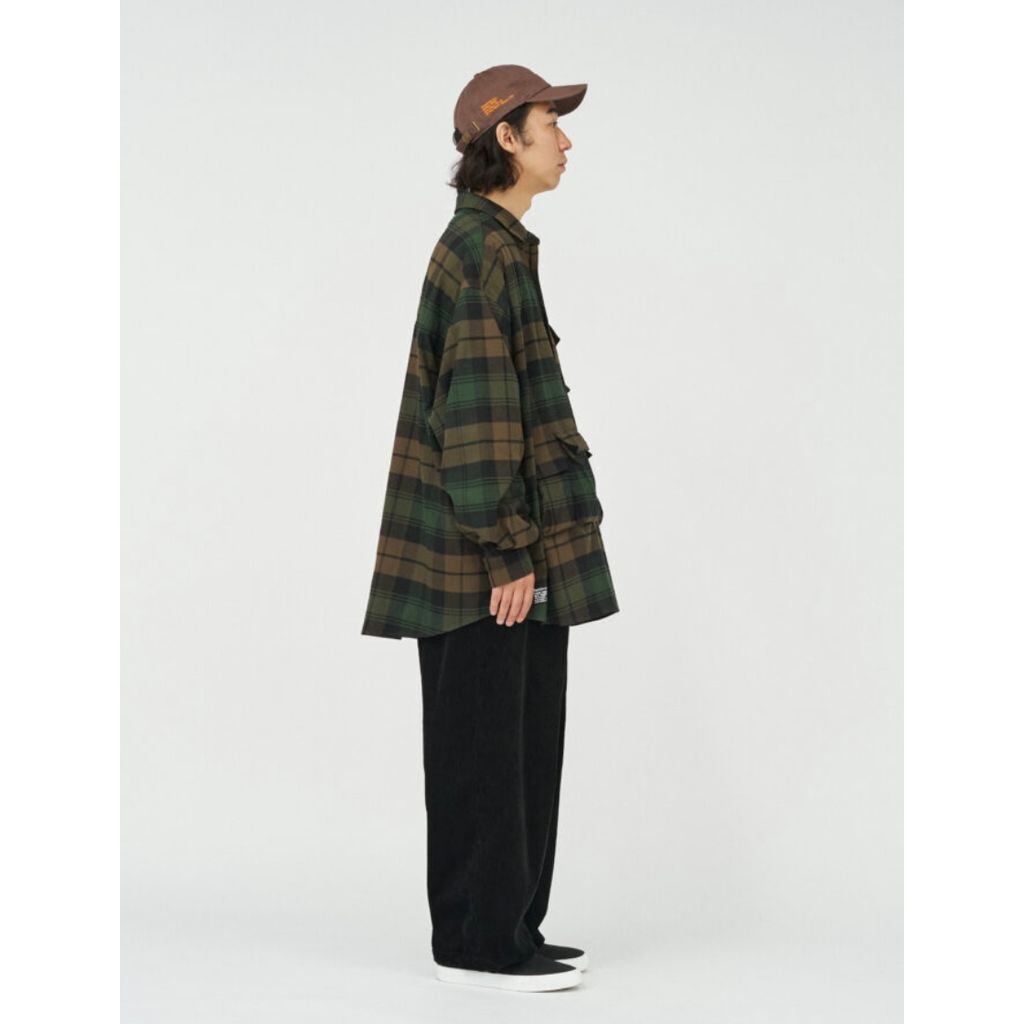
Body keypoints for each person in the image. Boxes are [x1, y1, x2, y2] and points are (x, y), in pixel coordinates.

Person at [361, 64, 619, 992]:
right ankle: (476, 947)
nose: (567, 140)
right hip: (475, 563)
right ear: (505, 136)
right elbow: (476, 412)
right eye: (552, 123)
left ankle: (510, 925)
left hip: (511, 551)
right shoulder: (479, 252)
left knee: (522, 741)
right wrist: (509, 550)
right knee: (482, 749)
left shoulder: (501, 246)